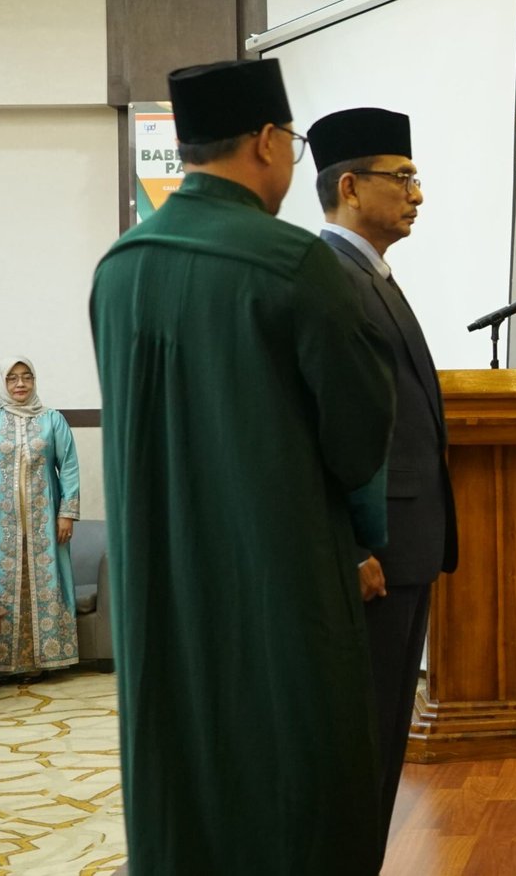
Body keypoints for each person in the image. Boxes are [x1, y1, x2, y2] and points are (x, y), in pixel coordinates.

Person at [90, 59, 397, 876]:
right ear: (265, 140)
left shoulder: (118, 269)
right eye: (292, 144)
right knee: (301, 786)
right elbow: (359, 438)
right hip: (280, 585)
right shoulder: (293, 262)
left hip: (162, 592)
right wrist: (365, 540)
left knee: (183, 779)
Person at [310, 106, 457, 852]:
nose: (417, 194)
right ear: (349, 185)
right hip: (373, 555)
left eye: (415, 177)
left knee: (384, 746)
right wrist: (352, 545)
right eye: (401, 178)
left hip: (407, 546)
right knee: (359, 749)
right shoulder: (329, 278)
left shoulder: (373, 274)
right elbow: (326, 435)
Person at [0, 358, 80, 680]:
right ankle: (1, 663)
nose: (20, 384)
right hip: (1, 525)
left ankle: (45, 659)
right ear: (4, 384)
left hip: (44, 523)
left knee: (45, 581)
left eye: (27, 377)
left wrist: (67, 514)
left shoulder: (53, 421)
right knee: (0, 585)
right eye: (12, 379)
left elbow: (68, 467)